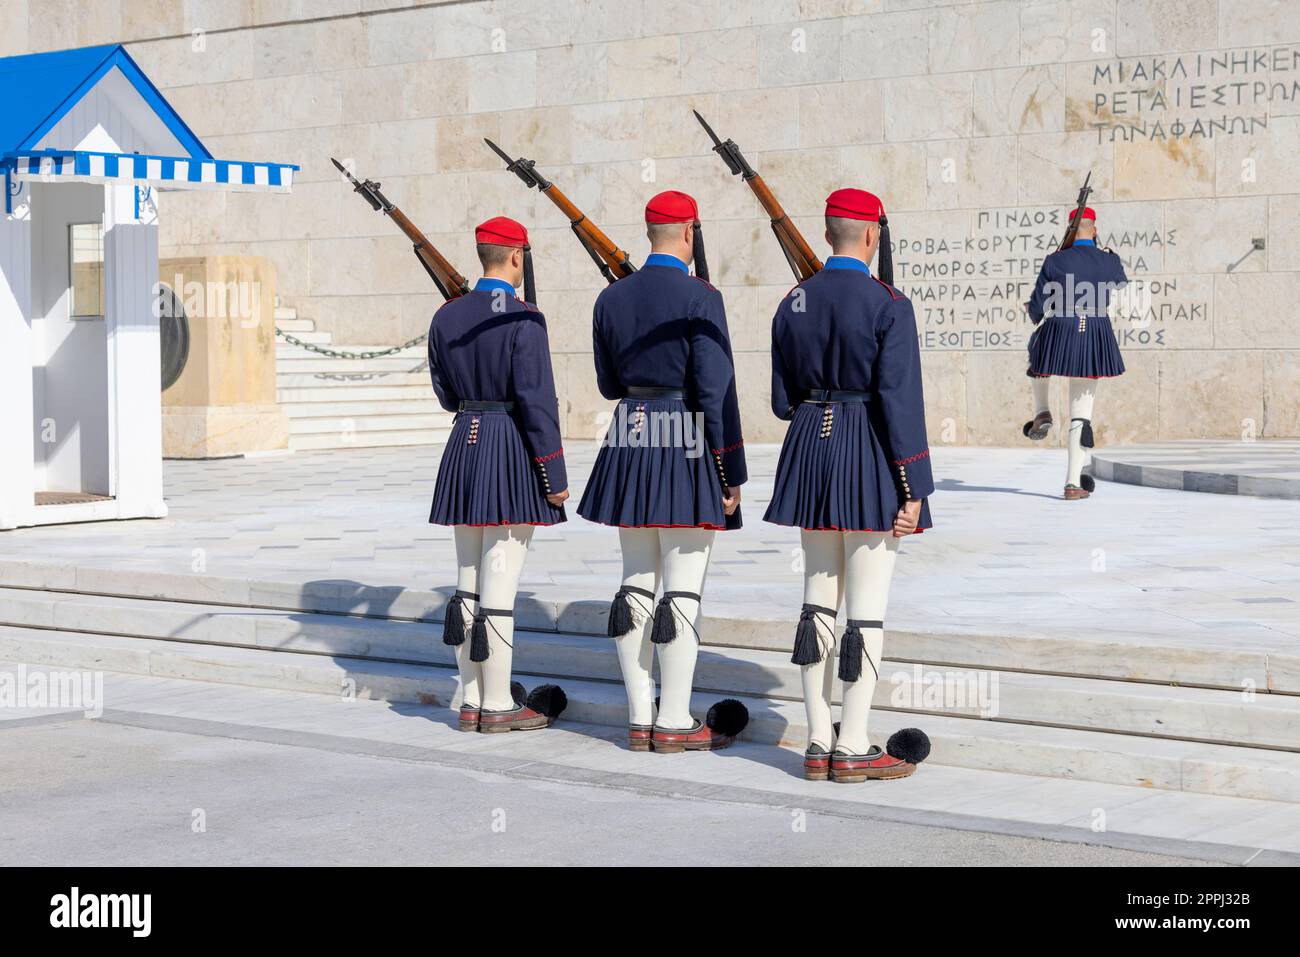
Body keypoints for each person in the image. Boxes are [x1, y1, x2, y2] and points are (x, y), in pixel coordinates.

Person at [765, 188, 934, 783]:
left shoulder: (794, 300)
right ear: (871, 236)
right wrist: (915, 486)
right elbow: (899, 401)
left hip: (811, 445)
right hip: (867, 449)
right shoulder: (889, 303)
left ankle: (816, 741)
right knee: (866, 610)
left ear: (830, 230)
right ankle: (854, 744)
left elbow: (783, 401)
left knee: (816, 601)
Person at [577, 190, 750, 754]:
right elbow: (714, 389)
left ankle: (637, 715)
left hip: (631, 431)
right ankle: (674, 718)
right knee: (682, 588)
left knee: (635, 580)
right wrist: (730, 468)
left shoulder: (612, 298)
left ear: (650, 232)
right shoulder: (702, 296)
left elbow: (607, 384)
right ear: (689, 233)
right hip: (685, 437)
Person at [428, 215, 568, 733]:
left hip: (464, 443)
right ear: (517, 257)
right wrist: (553, 473)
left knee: (467, 583)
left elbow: (446, 394)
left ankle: (469, 698)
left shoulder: (447, 316)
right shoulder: (524, 318)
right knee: (500, 586)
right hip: (508, 445)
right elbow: (537, 402)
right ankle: (497, 706)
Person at [1023, 206, 1128, 500]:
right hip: (1094, 329)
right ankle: (1072, 483)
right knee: (1081, 415)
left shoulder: (1056, 259)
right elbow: (1120, 282)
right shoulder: (1109, 260)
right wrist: (1104, 252)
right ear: (1094, 230)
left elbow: (1038, 304)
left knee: (1037, 358)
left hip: (1061, 325)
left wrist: (1033, 314)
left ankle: (1042, 410)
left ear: (1069, 230)